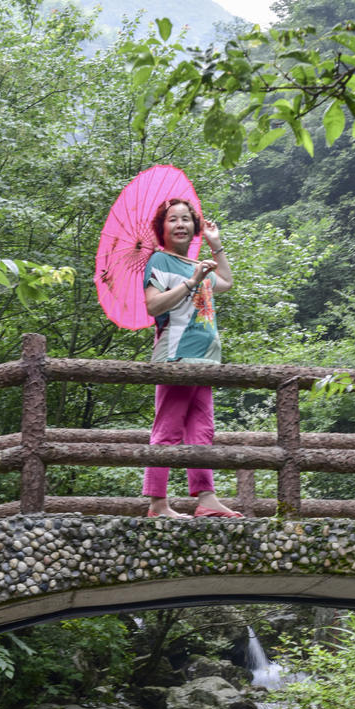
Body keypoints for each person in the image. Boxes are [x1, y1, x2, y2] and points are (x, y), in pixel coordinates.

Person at [142, 197, 241, 518]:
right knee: (168, 430)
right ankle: (157, 504)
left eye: (186, 218)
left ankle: (206, 500)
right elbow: (153, 305)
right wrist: (192, 282)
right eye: (172, 219)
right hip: (176, 358)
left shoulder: (195, 263)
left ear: (195, 227)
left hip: (206, 361)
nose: (180, 224)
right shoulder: (160, 261)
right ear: (162, 228)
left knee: (202, 431)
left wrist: (215, 245)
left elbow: (226, 282)